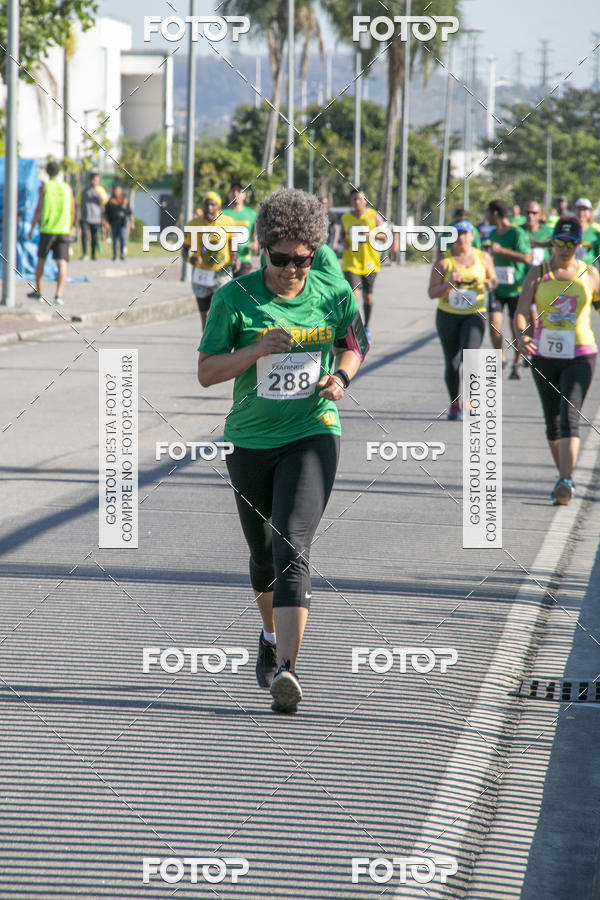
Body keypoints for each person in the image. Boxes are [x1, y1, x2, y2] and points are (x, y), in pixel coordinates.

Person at [197, 188, 367, 713]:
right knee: (261, 552)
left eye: (304, 258)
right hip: (249, 439)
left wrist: (340, 376)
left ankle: (288, 672)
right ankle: (270, 638)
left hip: (314, 430)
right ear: (264, 249)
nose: (294, 269)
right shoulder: (235, 299)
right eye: (282, 259)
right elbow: (206, 373)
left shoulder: (334, 291)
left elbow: (355, 343)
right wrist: (255, 349)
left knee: (292, 543)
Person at [515, 216, 599, 505]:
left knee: (569, 417)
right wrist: (522, 333)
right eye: (560, 243)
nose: (564, 249)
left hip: (581, 355)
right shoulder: (538, 274)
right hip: (544, 356)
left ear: (579, 245)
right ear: (553, 244)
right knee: (552, 424)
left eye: (571, 244)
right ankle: (566, 476)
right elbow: (522, 310)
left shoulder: (589, 274)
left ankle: (564, 481)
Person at [428, 220, 497, 419]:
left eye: (465, 233)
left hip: (474, 315)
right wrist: (448, 283)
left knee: (470, 358)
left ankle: (471, 401)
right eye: (457, 234)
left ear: (472, 236)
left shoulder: (483, 257)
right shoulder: (444, 261)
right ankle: (455, 403)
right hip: (448, 315)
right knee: (452, 363)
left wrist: (489, 283)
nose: (461, 238)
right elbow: (431, 292)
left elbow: (493, 281)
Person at [487, 199, 532, 379]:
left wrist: (502, 251)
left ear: (495, 213)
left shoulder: (516, 232)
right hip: (497, 289)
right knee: (493, 325)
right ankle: (502, 359)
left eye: (487, 213)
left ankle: (517, 362)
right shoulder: (492, 234)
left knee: (516, 330)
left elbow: (527, 258)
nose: (486, 217)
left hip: (516, 289)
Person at [182, 191, 240, 330]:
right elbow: (184, 249)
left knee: (222, 309)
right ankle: (207, 345)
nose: (209, 208)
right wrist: (191, 259)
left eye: (212, 205)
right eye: (206, 204)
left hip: (222, 272)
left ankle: (222, 339)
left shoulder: (228, 222)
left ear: (218, 207)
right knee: (205, 316)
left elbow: (233, 243)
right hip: (202, 273)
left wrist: (235, 258)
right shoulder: (194, 224)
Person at [27, 160, 75, 306]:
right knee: (62, 263)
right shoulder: (67, 188)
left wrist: (32, 228)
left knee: (41, 260)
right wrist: (70, 226)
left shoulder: (45, 187)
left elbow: (39, 209)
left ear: (47, 172)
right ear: (59, 172)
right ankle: (59, 295)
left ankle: (39, 292)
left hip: (47, 229)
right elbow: (73, 209)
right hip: (63, 230)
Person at [340, 187, 385, 342]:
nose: (357, 202)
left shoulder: (373, 216)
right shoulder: (345, 218)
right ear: (351, 201)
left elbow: (385, 237)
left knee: (368, 297)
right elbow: (343, 235)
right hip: (351, 263)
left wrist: (369, 235)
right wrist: (344, 242)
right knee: (353, 298)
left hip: (370, 264)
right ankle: (353, 329)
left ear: (365, 200)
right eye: (355, 199)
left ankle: (366, 326)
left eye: (360, 199)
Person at [225, 182, 258, 276]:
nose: (235, 194)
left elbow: (255, 236)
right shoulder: (221, 213)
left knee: (241, 289)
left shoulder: (252, 214)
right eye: (232, 191)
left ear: (244, 195)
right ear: (228, 194)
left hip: (244, 259)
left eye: (239, 191)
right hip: (225, 260)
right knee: (226, 289)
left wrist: (255, 244)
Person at [79, 172, 107, 260]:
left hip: (96, 218)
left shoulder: (100, 190)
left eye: (97, 180)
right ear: (90, 180)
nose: (95, 182)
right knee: (84, 235)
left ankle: (93, 254)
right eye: (94, 180)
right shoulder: (83, 190)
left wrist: (97, 191)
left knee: (94, 237)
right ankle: (84, 253)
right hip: (85, 216)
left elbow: (104, 201)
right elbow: (78, 201)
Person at [104, 186, 134, 261]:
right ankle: (115, 255)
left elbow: (130, 212)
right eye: (116, 191)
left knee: (122, 238)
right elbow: (106, 213)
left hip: (122, 222)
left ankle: (122, 254)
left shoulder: (124, 200)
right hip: (113, 222)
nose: (117, 192)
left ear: (121, 192)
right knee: (115, 238)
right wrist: (106, 222)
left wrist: (132, 222)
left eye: (118, 191)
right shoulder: (110, 201)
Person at [523, 201, 553, 268]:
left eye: (534, 213)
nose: (530, 216)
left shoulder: (548, 231)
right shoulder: (518, 231)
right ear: (523, 213)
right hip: (522, 275)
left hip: (543, 273)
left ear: (540, 214)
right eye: (527, 212)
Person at [573, 198, 600, 269]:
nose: (581, 213)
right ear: (574, 211)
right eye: (579, 209)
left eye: (584, 209)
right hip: (571, 274)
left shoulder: (595, 234)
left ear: (590, 212)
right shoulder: (568, 232)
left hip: (589, 274)